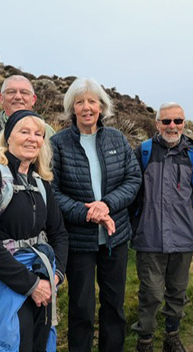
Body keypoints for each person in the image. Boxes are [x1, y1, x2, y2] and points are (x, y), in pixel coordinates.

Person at [51, 77, 142, 352]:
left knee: (114, 303)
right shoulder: (58, 143)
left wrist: (106, 205)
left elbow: (133, 178)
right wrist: (85, 212)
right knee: (81, 305)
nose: (86, 107)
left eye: (92, 101)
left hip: (115, 237)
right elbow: (52, 190)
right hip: (78, 239)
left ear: (102, 107)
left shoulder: (116, 138)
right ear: (72, 108)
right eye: (80, 102)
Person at [0, 110, 69, 351]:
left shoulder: (40, 181)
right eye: (24, 131)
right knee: (18, 339)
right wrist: (32, 285)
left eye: (38, 134)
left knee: (40, 339)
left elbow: (59, 233)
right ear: (8, 138)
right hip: (9, 276)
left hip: (43, 272)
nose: (32, 139)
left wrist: (55, 277)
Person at [131, 103, 193, 352]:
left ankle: (172, 337)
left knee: (177, 292)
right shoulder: (142, 152)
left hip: (183, 239)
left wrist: (184, 223)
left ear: (184, 122)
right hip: (149, 238)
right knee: (150, 294)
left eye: (177, 121)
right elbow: (133, 196)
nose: (172, 126)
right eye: (166, 121)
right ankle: (145, 341)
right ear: (157, 124)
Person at [0, 74, 55, 142]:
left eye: (24, 92)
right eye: (11, 92)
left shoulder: (48, 132)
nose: (18, 97)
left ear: (33, 100)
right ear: (1, 98)